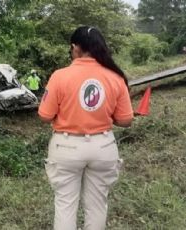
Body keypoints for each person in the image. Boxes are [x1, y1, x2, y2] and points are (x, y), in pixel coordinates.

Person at [38, 26, 133, 230]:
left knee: (65, 204)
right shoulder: (115, 77)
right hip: (103, 146)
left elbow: (45, 116)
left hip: (66, 148)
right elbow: (126, 120)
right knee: (97, 205)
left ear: (75, 47)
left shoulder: (59, 76)